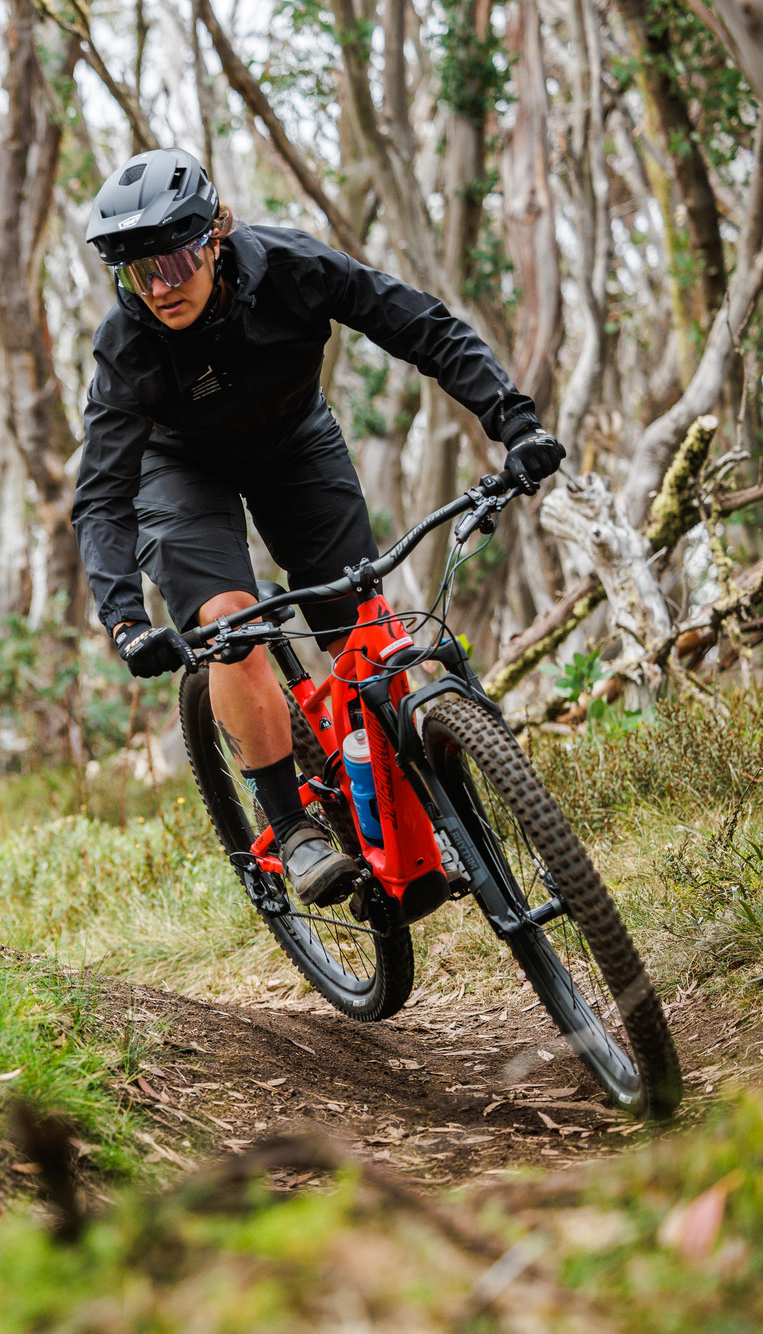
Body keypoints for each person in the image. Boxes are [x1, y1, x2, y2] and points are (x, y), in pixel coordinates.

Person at [72, 147, 565, 906]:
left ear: (213, 237)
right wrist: (125, 618)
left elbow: (420, 327)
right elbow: (103, 494)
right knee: (229, 623)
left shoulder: (294, 266)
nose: (159, 289)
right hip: (179, 473)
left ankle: (424, 805)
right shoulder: (128, 346)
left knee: (361, 626)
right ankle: (292, 827)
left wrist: (514, 421)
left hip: (294, 442)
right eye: (138, 274)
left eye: (171, 262)